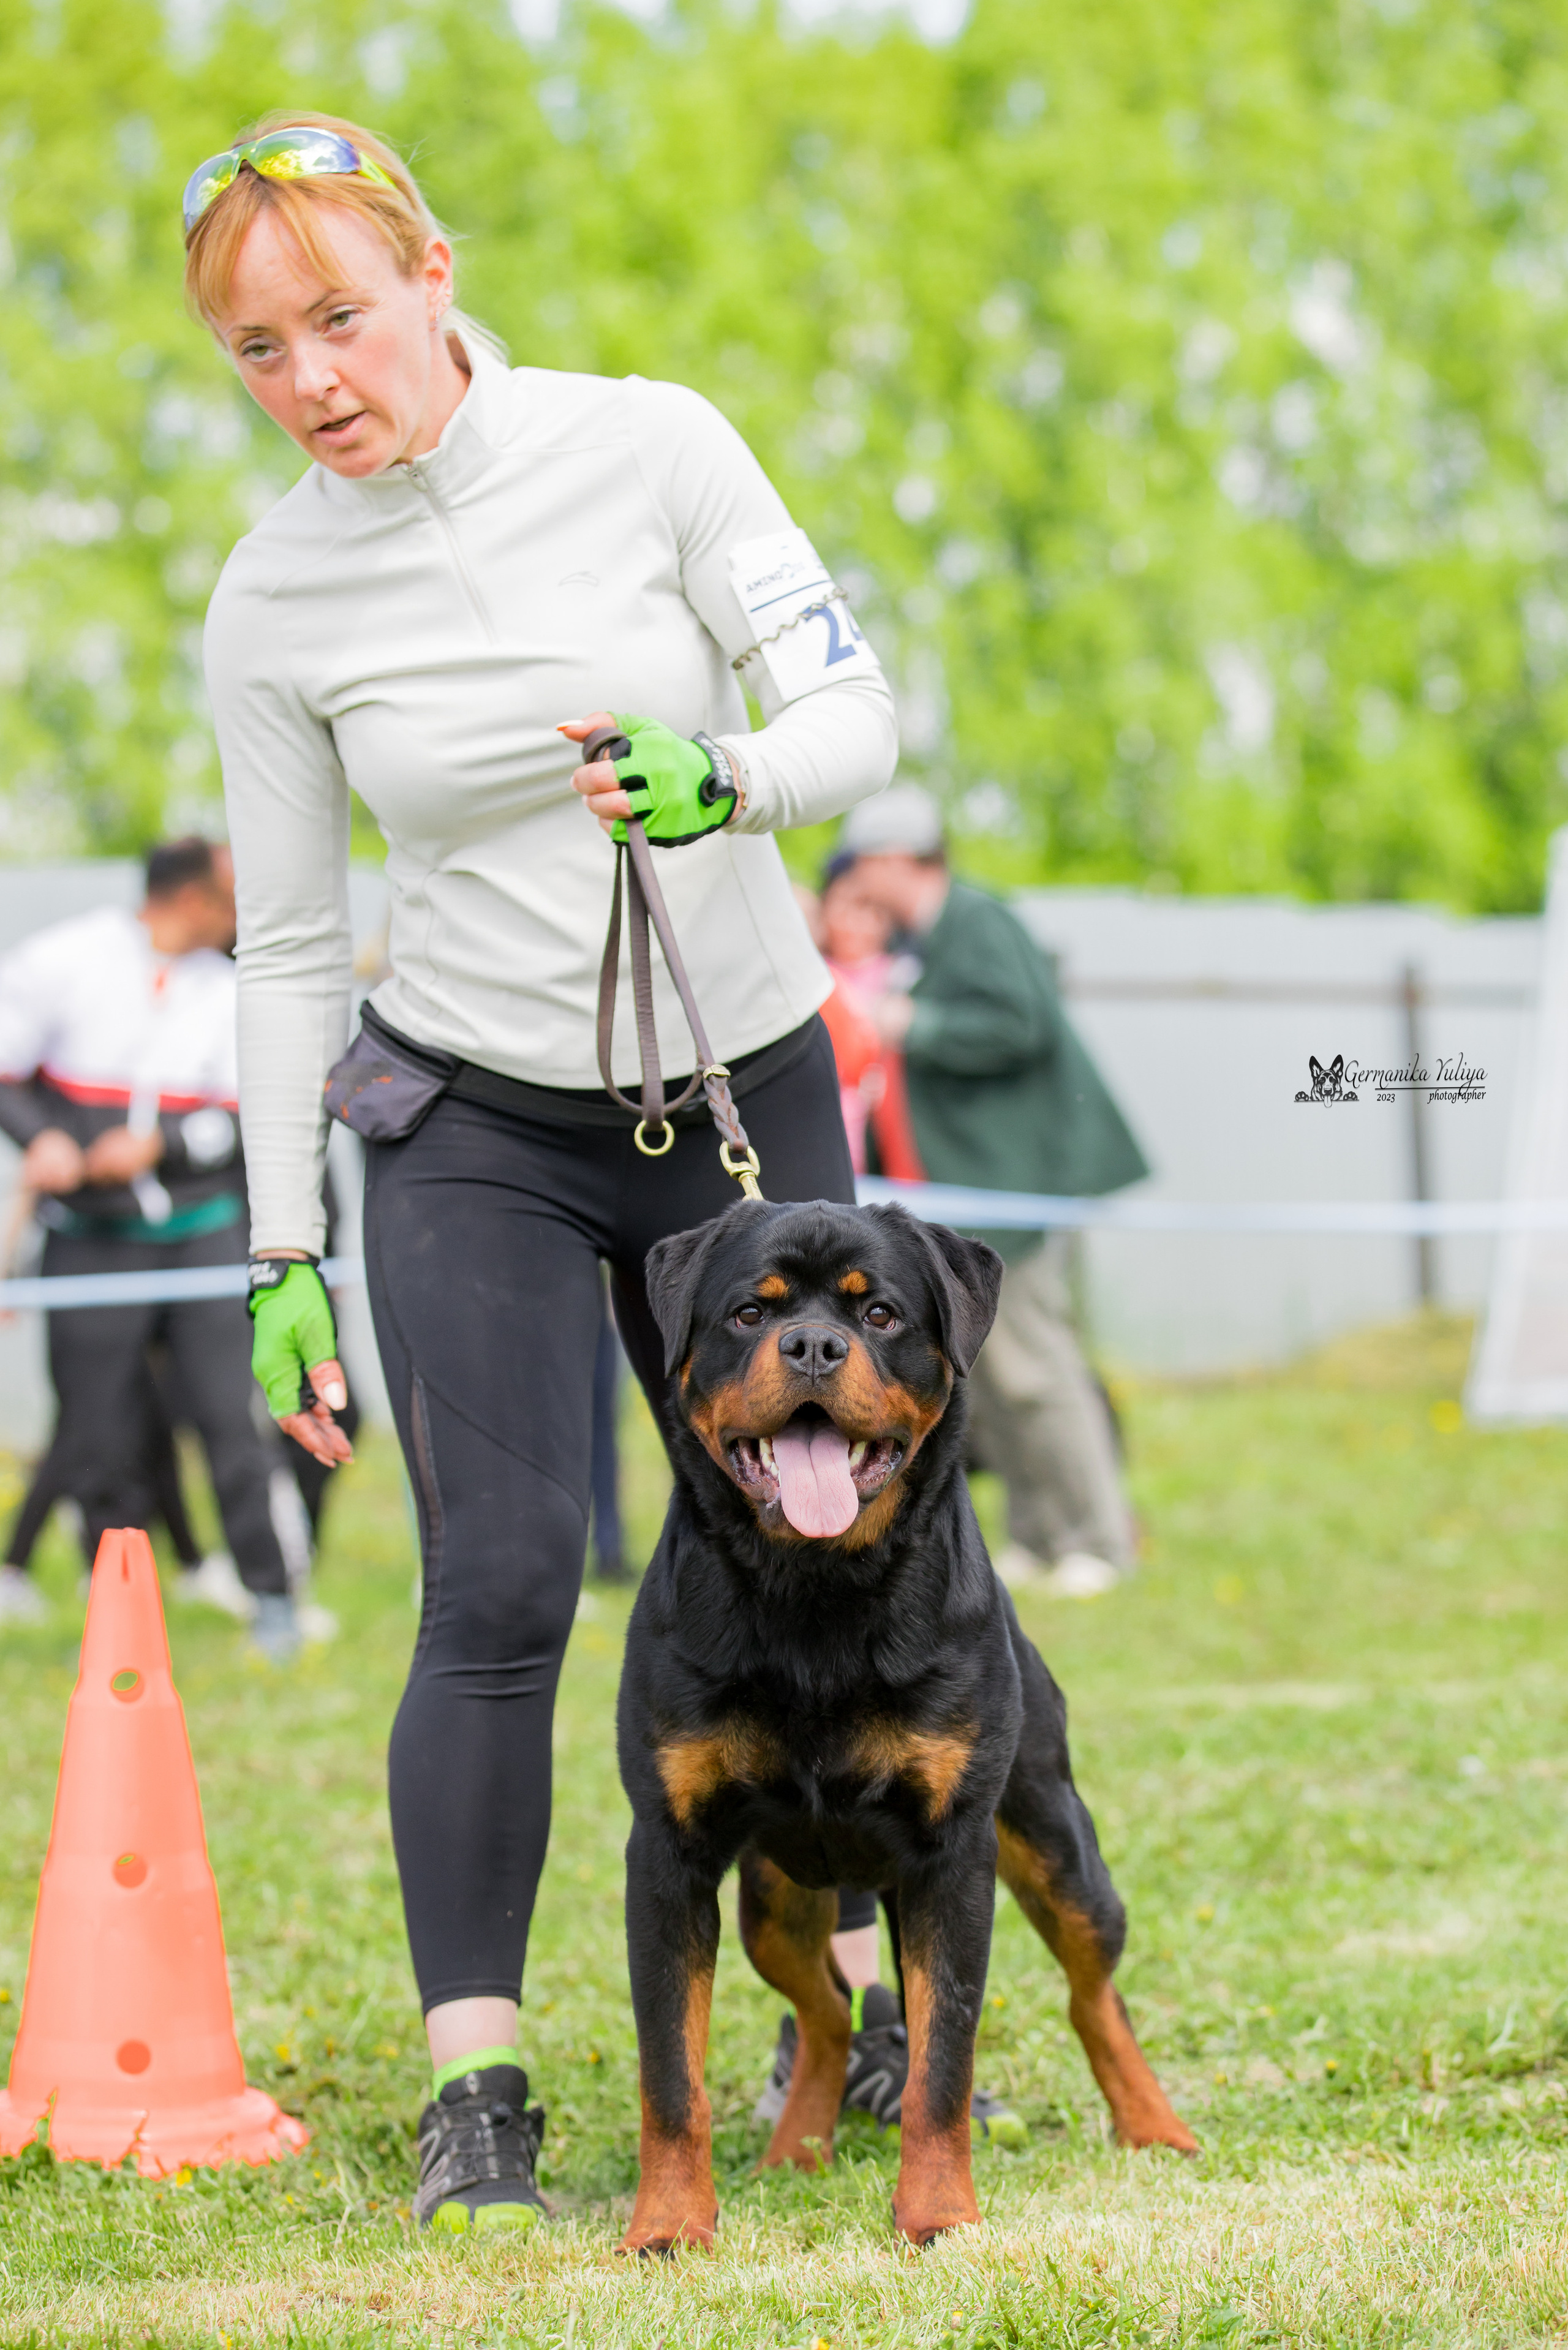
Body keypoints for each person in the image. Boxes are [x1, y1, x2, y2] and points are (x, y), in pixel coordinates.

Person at [184, 111, 926, 2232]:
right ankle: (480, 2084)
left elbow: (851, 704)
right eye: (257, 349)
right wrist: (280, 1242)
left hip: (742, 1080)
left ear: (431, 268)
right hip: (480, 1121)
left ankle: (852, 1987)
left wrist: (739, 782)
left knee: (822, 1548)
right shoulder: (270, 596)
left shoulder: (655, 443)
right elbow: (292, 947)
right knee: (500, 1585)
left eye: (339, 314)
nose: (314, 376)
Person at [0, 841, 307, 1654]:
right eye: (233, 898)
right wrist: (46, 1141)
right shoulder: (63, 960)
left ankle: (274, 1600)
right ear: (194, 899)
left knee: (229, 1416)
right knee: (98, 1431)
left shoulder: (234, 985)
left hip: (199, 1233)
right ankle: (118, 1619)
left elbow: (245, 1115)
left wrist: (162, 1142)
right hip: (88, 1239)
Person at [842, 786, 1149, 1598]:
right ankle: (1040, 1535)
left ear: (895, 860)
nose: (857, 882)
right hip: (964, 1192)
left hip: (1010, 1187)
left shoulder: (980, 922)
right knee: (994, 1375)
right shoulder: (933, 937)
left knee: (1039, 1367)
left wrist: (918, 1025)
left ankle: (1098, 1538)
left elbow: (1022, 1022)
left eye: (863, 864)